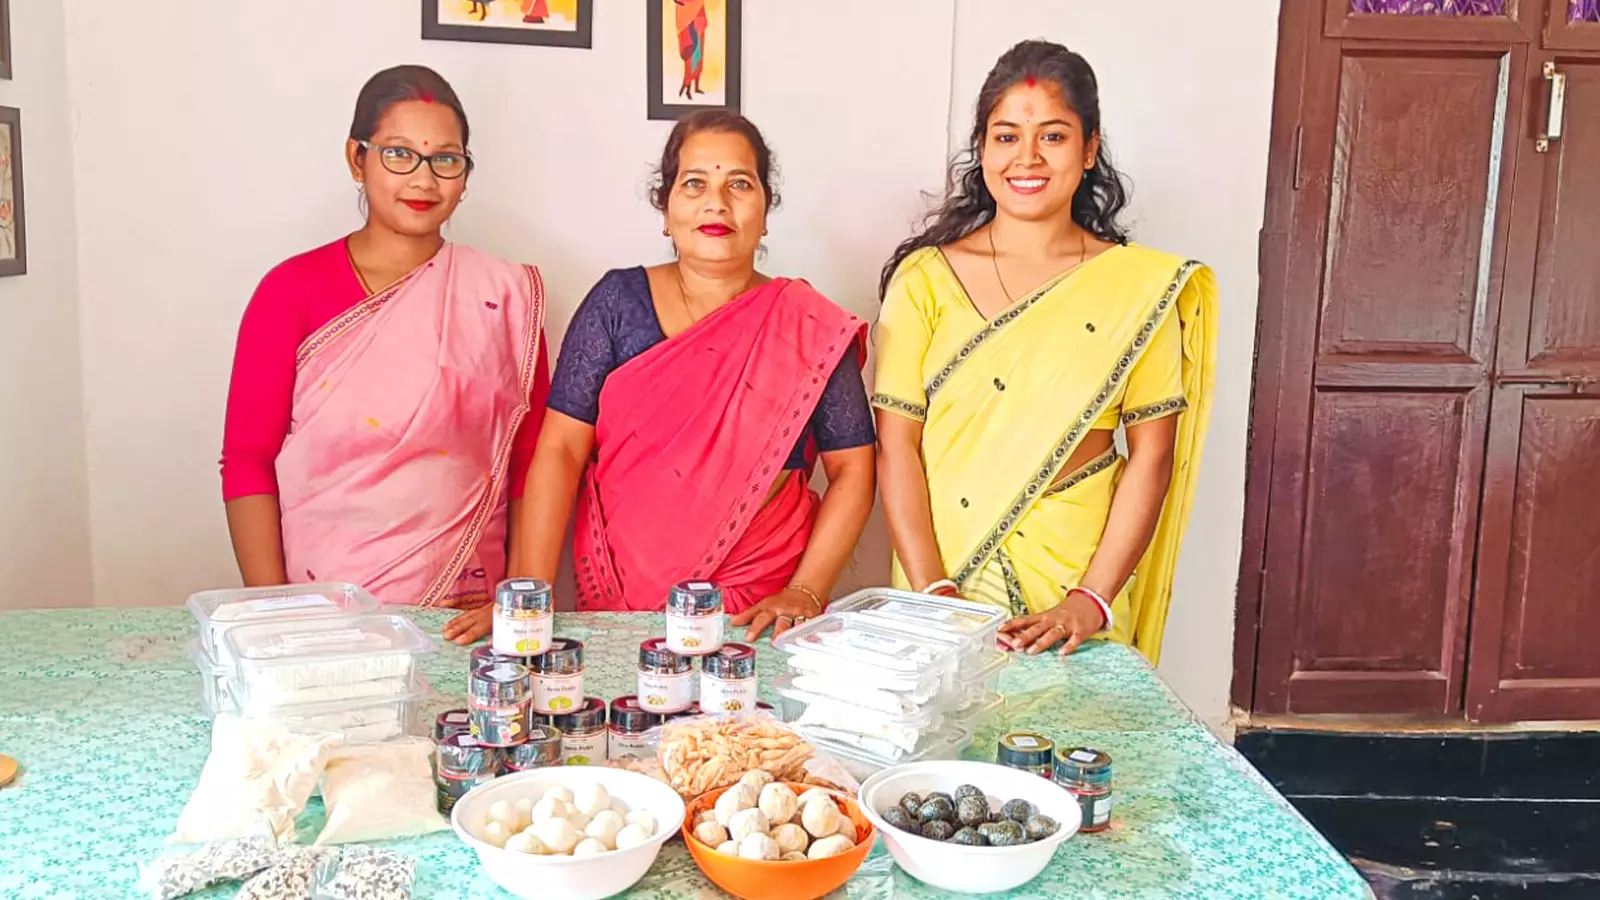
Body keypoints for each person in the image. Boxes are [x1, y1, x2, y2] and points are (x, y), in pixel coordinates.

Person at [444, 110, 876, 645]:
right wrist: (526, 596)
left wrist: (807, 591)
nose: (717, 202)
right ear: (665, 210)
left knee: (751, 732)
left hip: (760, 609)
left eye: (739, 184)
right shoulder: (617, 304)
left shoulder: (806, 326)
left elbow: (854, 469)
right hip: (624, 599)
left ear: (765, 212)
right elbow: (559, 449)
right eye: (694, 183)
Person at [873, 40, 1217, 664]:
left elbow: (1152, 453)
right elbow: (897, 443)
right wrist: (933, 591)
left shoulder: (1137, 289)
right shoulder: (925, 279)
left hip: (1076, 569)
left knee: (1072, 753)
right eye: (1006, 137)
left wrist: (1092, 598)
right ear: (981, 150)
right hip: (946, 569)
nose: (1026, 158)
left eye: (1052, 137)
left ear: (1089, 150)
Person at [221, 65, 550, 609]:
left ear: (465, 176)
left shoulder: (503, 295)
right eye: (399, 154)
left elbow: (531, 457)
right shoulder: (290, 291)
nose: (423, 180)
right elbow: (248, 459)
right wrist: (275, 608)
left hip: (464, 608)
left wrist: (515, 602)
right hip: (321, 607)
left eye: (445, 159)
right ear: (357, 158)